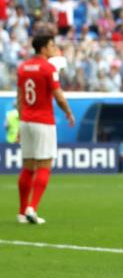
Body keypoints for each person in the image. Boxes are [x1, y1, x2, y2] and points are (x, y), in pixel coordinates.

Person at [16, 34, 75, 224]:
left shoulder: (23, 67)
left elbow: (20, 99)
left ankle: (22, 211)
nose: (53, 48)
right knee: (44, 165)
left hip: (26, 120)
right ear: (43, 48)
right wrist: (68, 112)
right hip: (43, 121)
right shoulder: (48, 68)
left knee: (28, 166)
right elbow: (58, 96)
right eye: (51, 45)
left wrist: (19, 122)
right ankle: (32, 208)